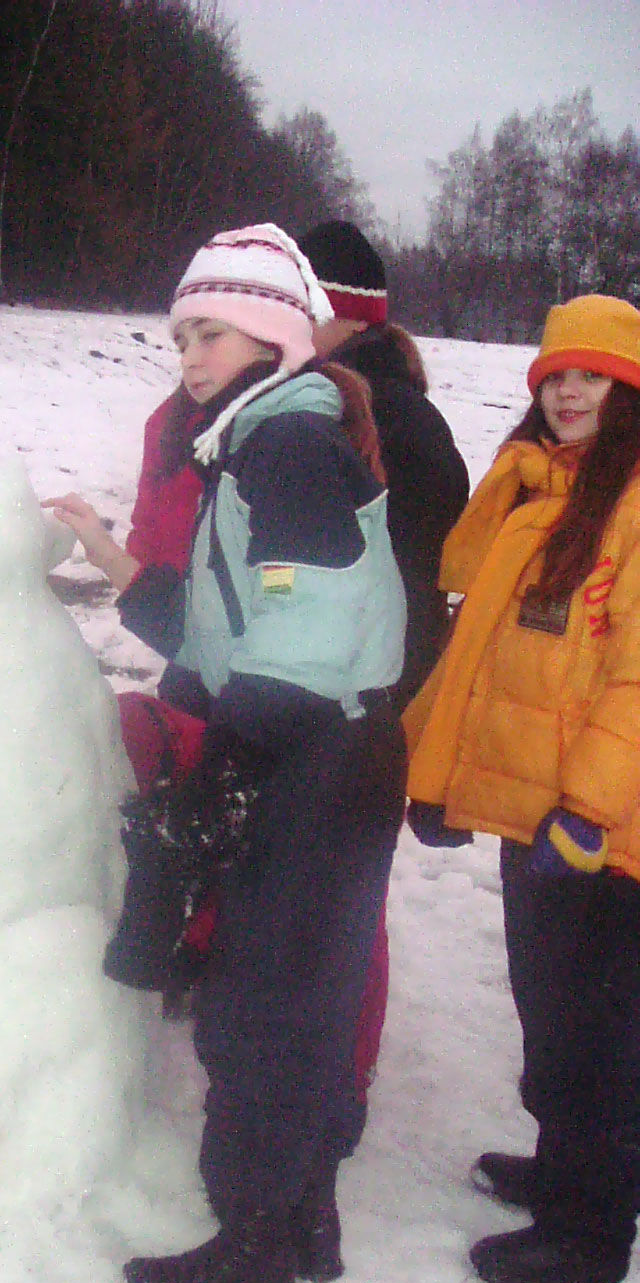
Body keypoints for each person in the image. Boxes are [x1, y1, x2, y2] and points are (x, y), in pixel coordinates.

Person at [51, 225, 407, 1283]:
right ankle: (294, 1217)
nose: (189, 355)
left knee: (262, 1007)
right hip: (323, 753)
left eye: (208, 332)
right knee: (296, 997)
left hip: (314, 758)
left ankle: (252, 1250)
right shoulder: (259, 441)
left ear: (270, 334)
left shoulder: (284, 448)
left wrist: (231, 769)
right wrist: (121, 564)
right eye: (180, 336)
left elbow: (300, 639)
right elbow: (226, 635)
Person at [405, 293, 640, 1283]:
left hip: (601, 827)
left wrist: (587, 809)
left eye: (592, 376)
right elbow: (477, 640)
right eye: (553, 376)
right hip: (535, 809)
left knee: (594, 1028)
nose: (568, 390)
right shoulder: (547, 489)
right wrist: (441, 778)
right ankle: (567, 1170)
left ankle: (590, 1232)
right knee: (552, 1010)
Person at [299, 221, 470, 1084]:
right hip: (341, 696)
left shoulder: (389, 419)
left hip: (361, 708)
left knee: (339, 902)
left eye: (302, 302)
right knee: (322, 893)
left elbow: (400, 575)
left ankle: (335, 1081)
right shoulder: (344, 398)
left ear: (338, 313)